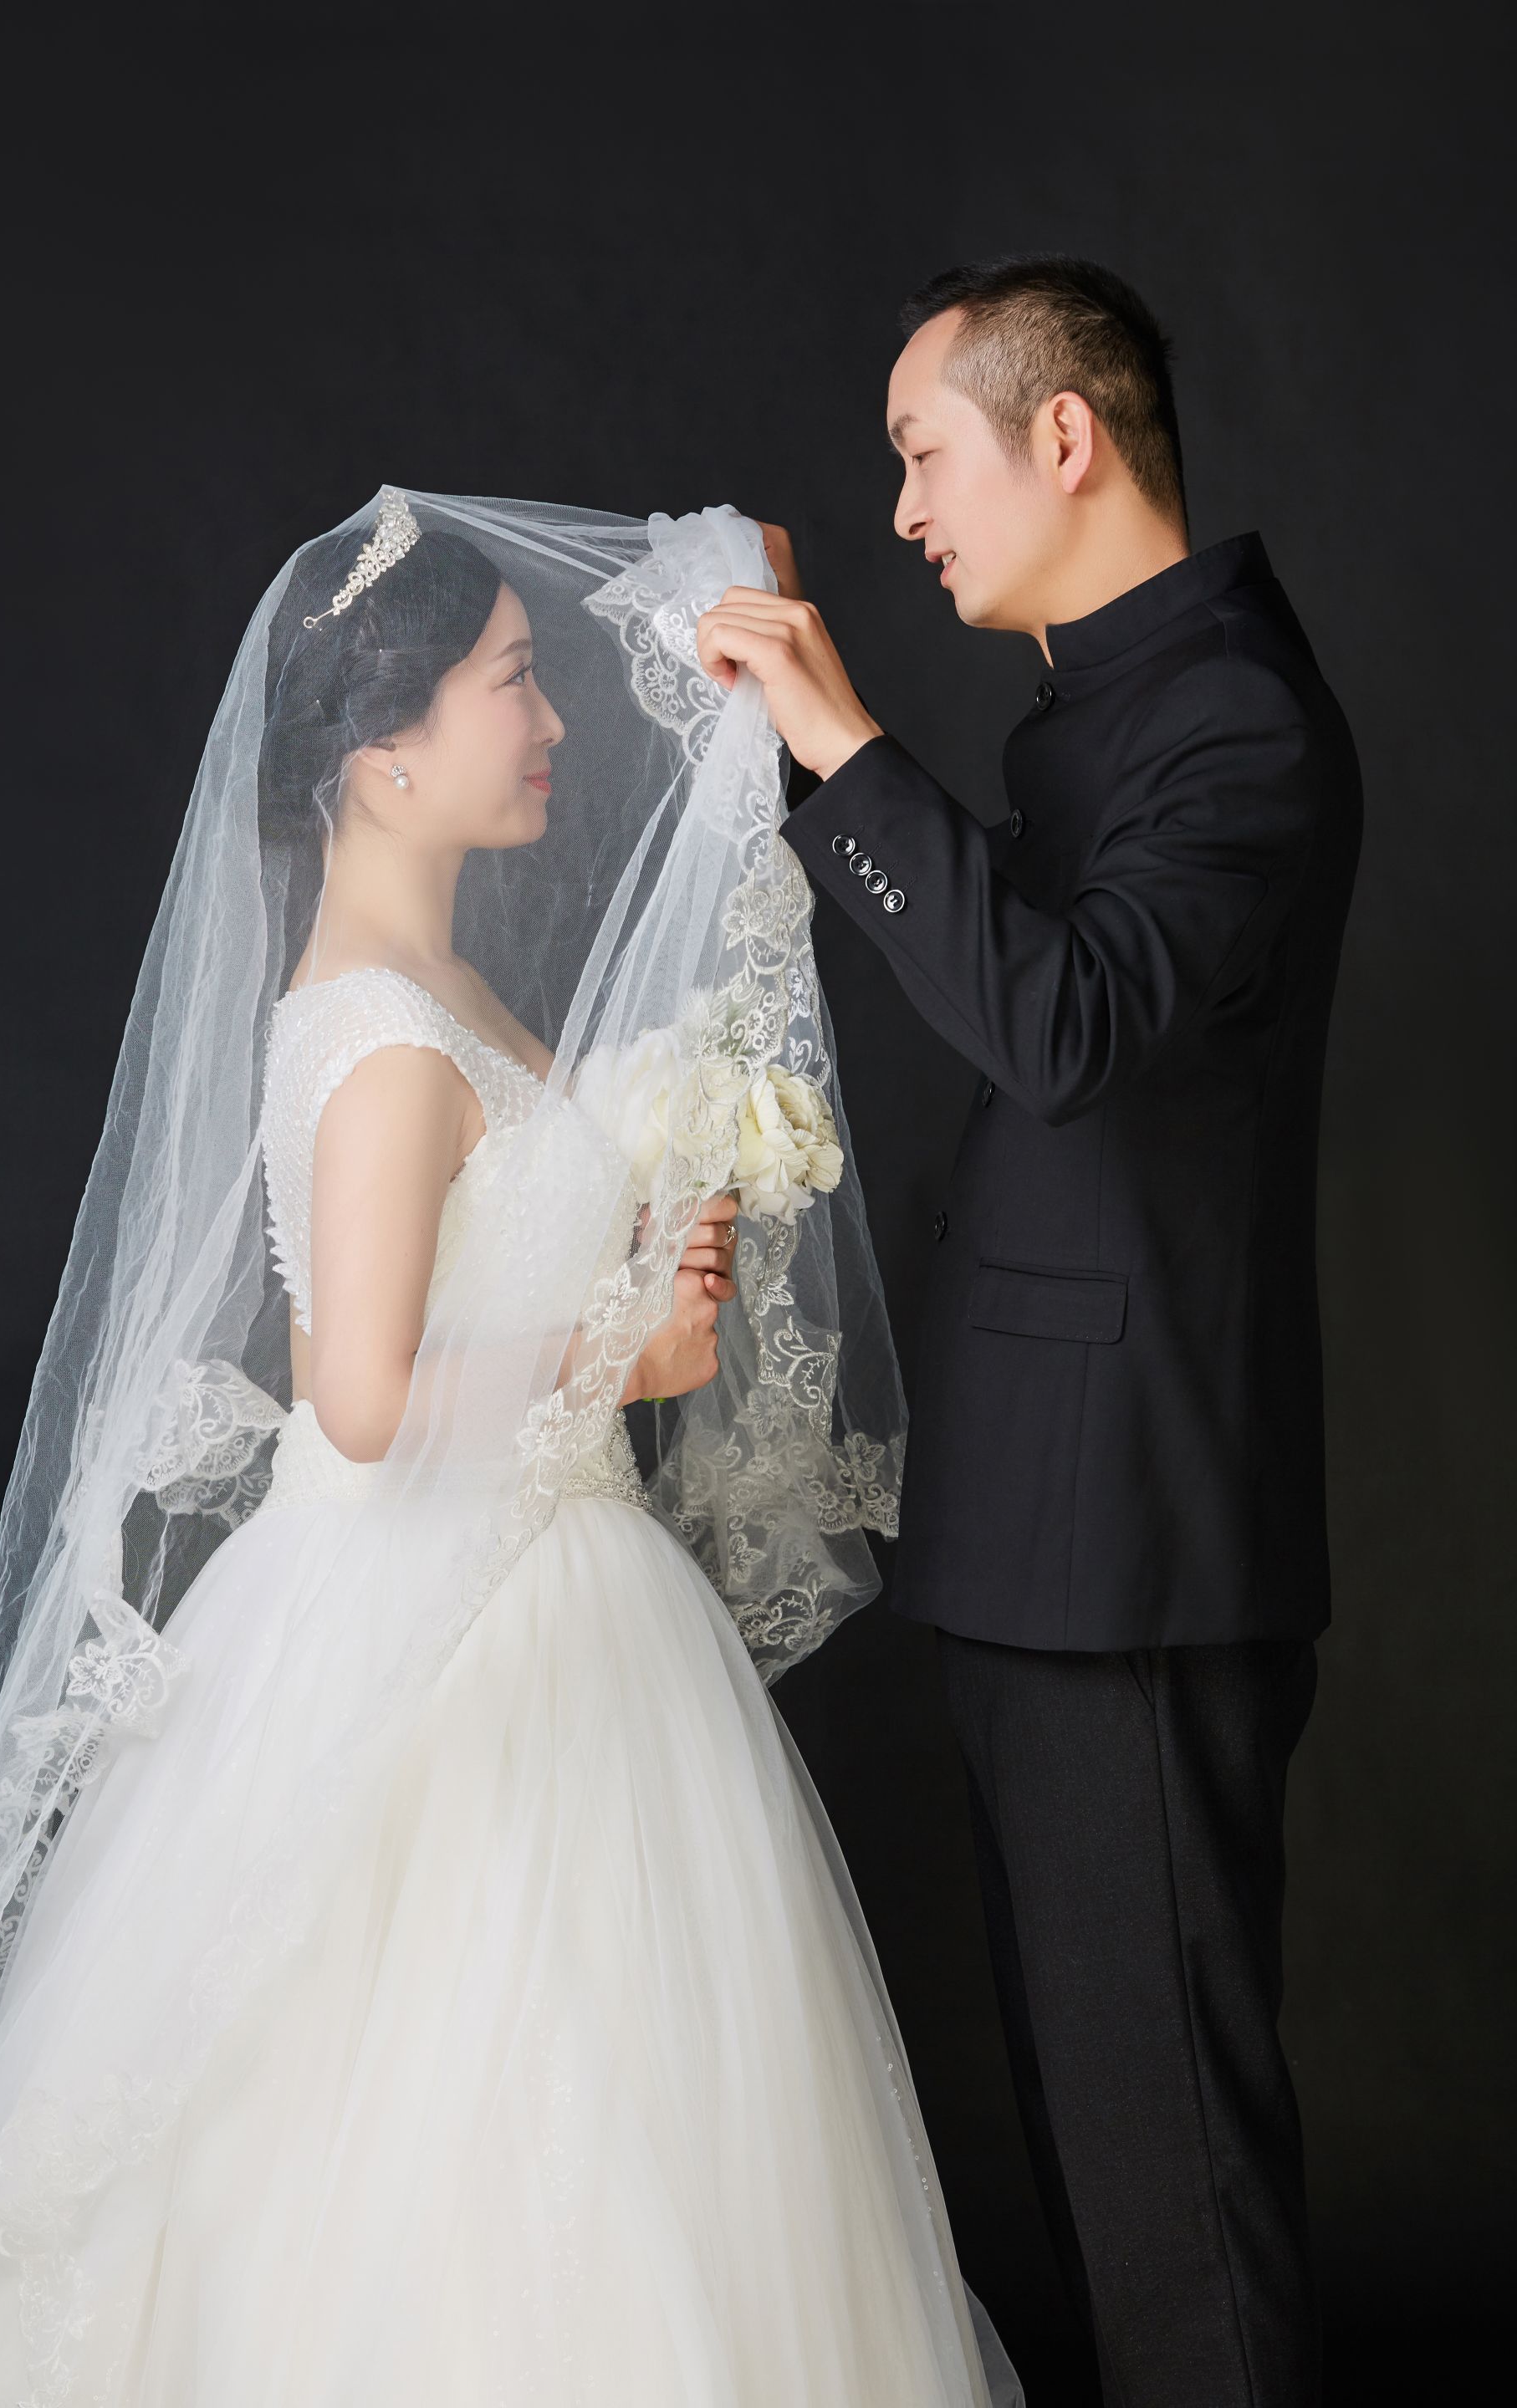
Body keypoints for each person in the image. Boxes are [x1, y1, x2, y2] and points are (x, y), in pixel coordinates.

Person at [0, 494, 1020, 2403]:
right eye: (514, 680)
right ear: (384, 751)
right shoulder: (378, 1036)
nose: (555, 719)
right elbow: (356, 1396)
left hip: (537, 1575)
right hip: (456, 1622)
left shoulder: (443, 996)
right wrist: (621, 1350)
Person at [697, 257, 1362, 2408]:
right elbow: (1026, 968)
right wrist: (793, 745)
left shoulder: (1236, 717)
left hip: (1131, 1558)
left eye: (924, 454)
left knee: (1172, 2194)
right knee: (1103, 2162)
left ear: (1062, 435)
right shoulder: (1106, 711)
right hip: (1047, 1547)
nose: (902, 511)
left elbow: (1060, 1028)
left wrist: (845, 743)